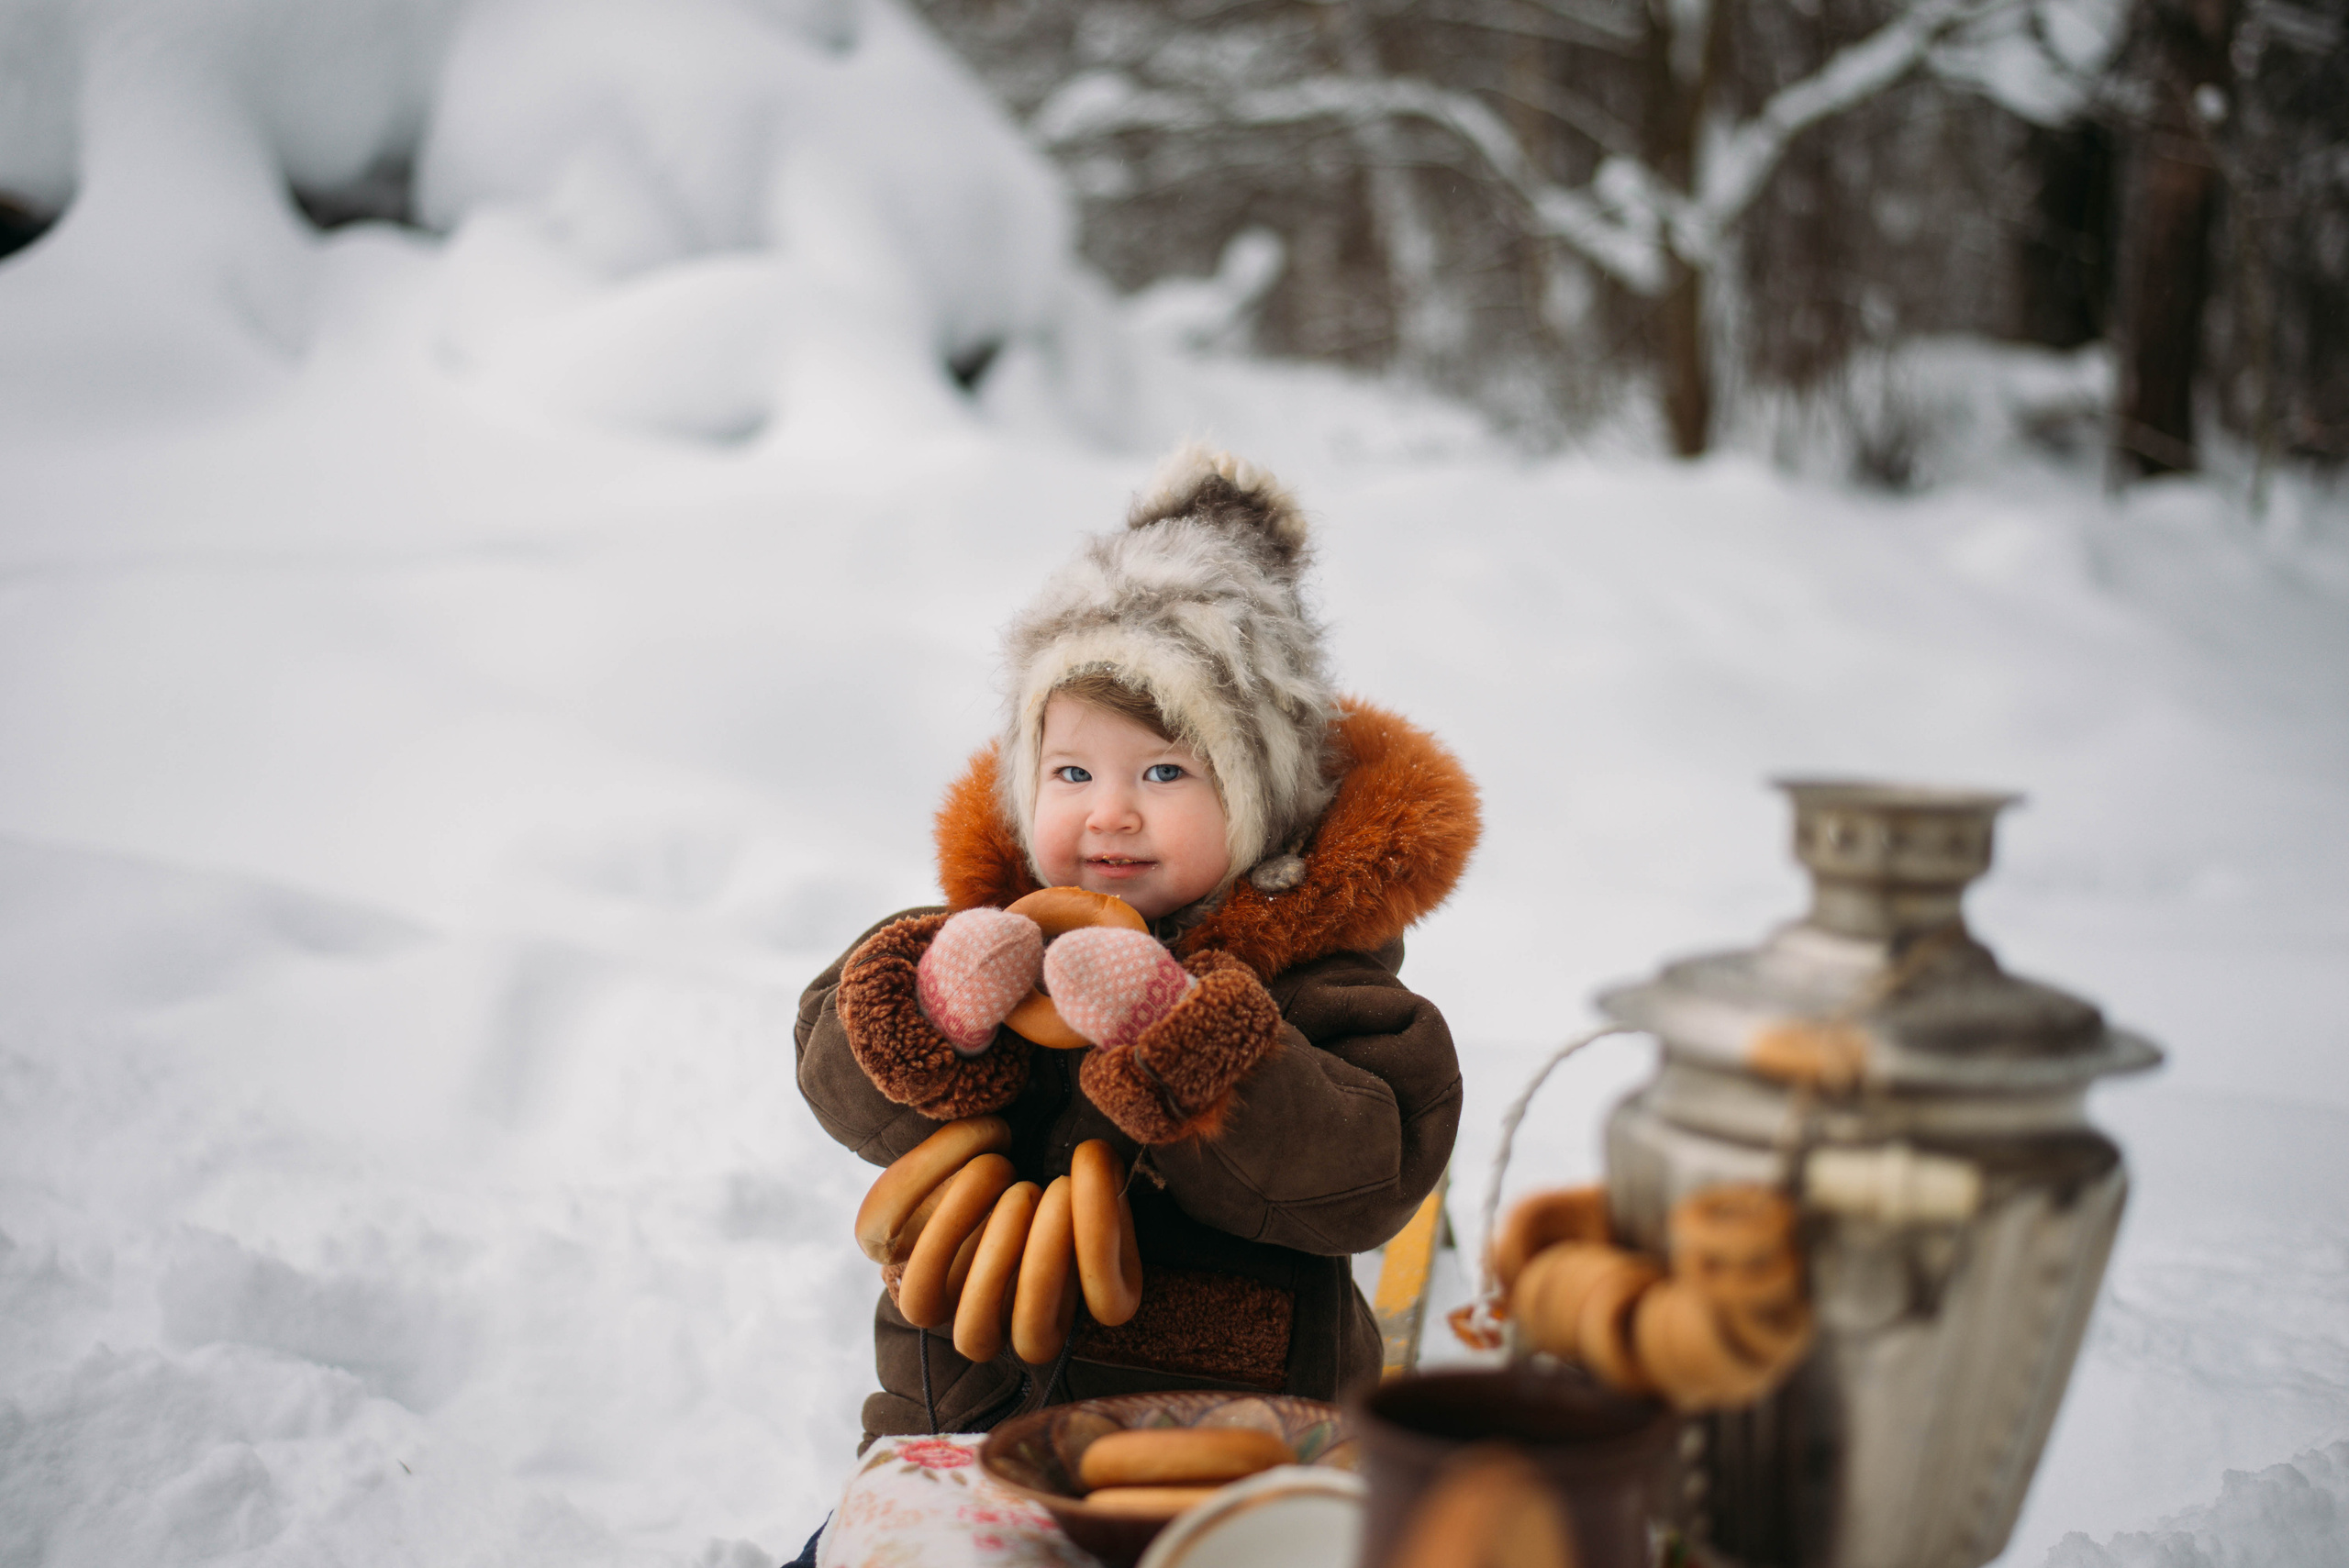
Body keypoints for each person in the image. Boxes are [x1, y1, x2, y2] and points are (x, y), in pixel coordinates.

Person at [796, 445, 1478, 1446]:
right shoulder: (992, 941)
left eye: (1162, 773)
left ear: (1260, 799)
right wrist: (933, 1012)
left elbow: (1367, 1173)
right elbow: (835, 1075)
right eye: (1070, 771)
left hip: (1228, 1439)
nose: (1108, 814)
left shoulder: (1323, 984)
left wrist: (1184, 1036)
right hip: (958, 1429)